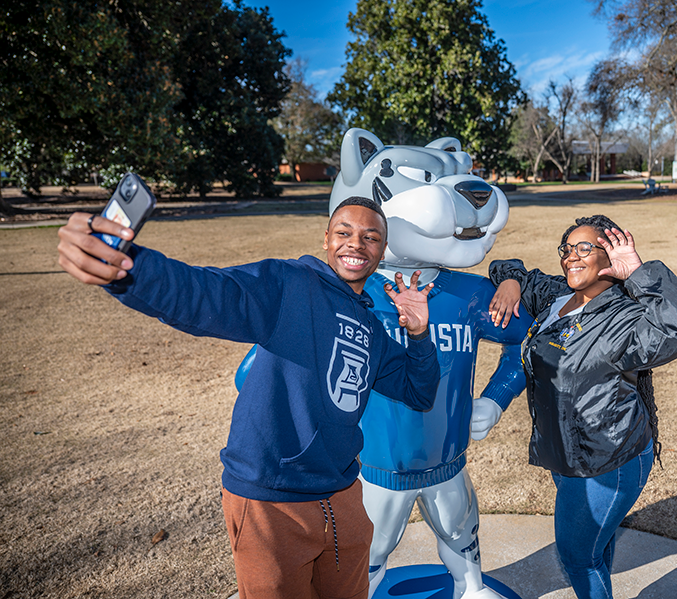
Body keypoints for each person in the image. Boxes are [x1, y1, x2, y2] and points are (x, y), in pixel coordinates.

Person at [56, 196, 441, 599]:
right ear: (326, 239)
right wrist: (126, 267)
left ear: (382, 250)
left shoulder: (370, 326)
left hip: (343, 498)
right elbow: (205, 293)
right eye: (344, 233)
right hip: (271, 501)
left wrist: (418, 334)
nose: (356, 244)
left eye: (371, 237)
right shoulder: (289, 284)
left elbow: (419, 391)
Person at [487, 215, 677, 599]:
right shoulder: (556, 297)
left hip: (608, 461)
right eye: (567, 248)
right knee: (595, 547)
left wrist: (638, 272)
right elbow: (512, 268)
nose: (571, 256)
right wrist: (509, 280)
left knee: (576, 556)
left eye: (584, 248)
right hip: (567, 455)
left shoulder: (625, 316)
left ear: (610, 255)